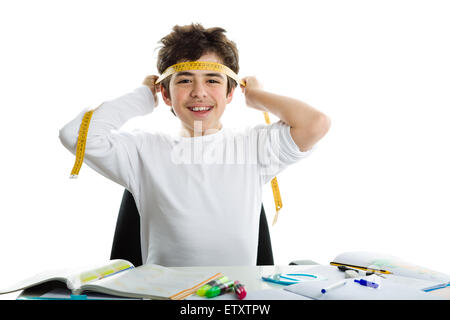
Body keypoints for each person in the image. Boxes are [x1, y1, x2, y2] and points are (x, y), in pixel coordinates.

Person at [59, 23, 331, 267]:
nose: (199, 91)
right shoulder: (142, 152)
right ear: (165, 94)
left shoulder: (253, 147)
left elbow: (315, 123)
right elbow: (75, 134)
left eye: (212, 80)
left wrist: (257, 96)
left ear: (230, 92)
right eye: (185, 80)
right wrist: (142, 96)